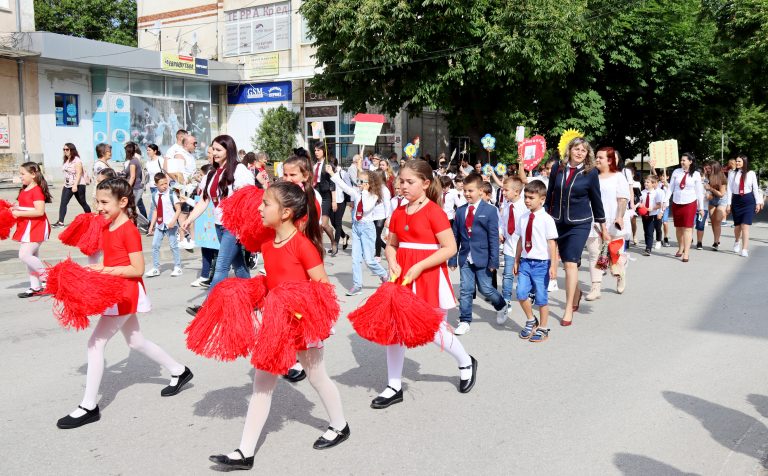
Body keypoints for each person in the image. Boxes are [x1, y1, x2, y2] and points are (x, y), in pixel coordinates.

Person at [209, 182, 350, 470]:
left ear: (285, 213)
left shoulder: (303, 246)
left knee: (317, 377)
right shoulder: (266, 244)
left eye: (265, 204)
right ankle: (244, 452)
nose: (259, 209)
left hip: (301, 323)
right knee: (261, 384)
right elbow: (273, 280)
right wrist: (251, 290)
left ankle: (340, 425)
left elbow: (322, 287)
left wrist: (298, 310)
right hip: (275, 325)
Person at [56, 177, 192, 430]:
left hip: (124, 293)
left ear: (124, 202)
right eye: (97, 201)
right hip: (115, 290)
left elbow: (138, 268)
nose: (99, 207)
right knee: (135, 341)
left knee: (95, 343)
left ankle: (89, 406)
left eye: (105, 202)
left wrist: (105, 270)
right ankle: (179, 370)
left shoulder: (128, 230)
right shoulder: (107, 225)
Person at [370, 160, 477, 410]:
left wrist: (419, 266)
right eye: (401, 181)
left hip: (427, 273)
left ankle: (465, 362)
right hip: (402, 275)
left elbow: (450, 247)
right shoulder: (398, 211)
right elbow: (391, 244)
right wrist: (392, 261)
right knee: (394, 329)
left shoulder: (434, 212)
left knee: (434, 329)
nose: (403, 186)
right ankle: (394, 385)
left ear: (426, 183)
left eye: (410, 182)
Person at [181, 135, 255, 315]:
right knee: (239, 266)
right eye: (213, 149)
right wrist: (189, 219)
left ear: (229, 151)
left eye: (218, 150)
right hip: (218, 224)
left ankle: (208, 307)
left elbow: (248, 198)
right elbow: (204, 201)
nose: (214, 153)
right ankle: (255, 298)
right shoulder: (212, 174)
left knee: (221, 266)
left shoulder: (240, 170)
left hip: (234, 225)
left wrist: (242, 226)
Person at [544, 138, 607, 326]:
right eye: (576, 149)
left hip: (579, 223)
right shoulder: (557, 168)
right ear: (569, 150)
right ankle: (576, 292)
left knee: (571, 263)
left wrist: (603, 226)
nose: (579, 153)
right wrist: (543, 215)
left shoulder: (591, 173)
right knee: (566, 264)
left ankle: (568, 307)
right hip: (557, 221)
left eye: (584, 150)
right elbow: (550, 195)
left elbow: (596, 200)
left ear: (588, 154)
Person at [449, 173, 508, 336]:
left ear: (481, 190)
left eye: (471, 191)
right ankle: (465, 320)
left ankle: (502, 306)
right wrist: (452, 258)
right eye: (465, 191)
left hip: (483, 257)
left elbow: (493, 238)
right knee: (466, 289)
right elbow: (456, 236)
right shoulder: (460, 211)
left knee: (486, 289)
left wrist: (494, 261)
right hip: (465, 257)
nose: (467, 194)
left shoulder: (489, 211)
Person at [328, 164, 388, 296]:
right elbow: (345, 187)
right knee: (355, 259)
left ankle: (384, 275)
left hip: (367, 229)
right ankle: (357, 285)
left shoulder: (373, 196)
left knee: (369, 260)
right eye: (358, 181)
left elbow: (366, 208)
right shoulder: (357, 193)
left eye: (361, 182)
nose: (358, 184)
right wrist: (332, 174)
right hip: (356, 227)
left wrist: (365, 192)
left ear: (368, 184)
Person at [513, 181, 558, 342]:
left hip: (541, 264)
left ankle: (543, 327)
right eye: (525, 197)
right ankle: (531, 320)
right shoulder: (523, 217)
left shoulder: (547, 219)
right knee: (520, 293)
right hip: (525, 262)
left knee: (541, 298)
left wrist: (553, 265)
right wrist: (516, 260)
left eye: (531, 197)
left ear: (542, 199)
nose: (527, 200)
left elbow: (552, 243)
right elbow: (520, 240)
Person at [584, 147, 631, 300]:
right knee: (594, 254)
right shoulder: (591, 176)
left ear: (610, 160)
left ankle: (620, 274)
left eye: (600, 157)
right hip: (594, 220)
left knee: (614, 255)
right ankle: (596, 287)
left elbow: (623, 199)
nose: (597, 160)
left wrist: (619, 217)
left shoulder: (618, 177)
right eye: (596, 157)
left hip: (612, 221)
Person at [12, 162, 52, 298]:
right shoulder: (25, 189)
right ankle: (35, 287)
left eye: (23, 174)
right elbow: (23, 204)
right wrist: (13, 208)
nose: (20, 176)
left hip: (36, 227)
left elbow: (40, 211)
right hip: (27, 227)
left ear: (33, 174)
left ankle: (47, 277)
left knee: (24, 255)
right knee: (31, 257)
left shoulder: (37, 191)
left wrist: (19, 213)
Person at [669, 152, 705, 262]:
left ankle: (687, 253)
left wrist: (701, 208)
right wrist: (665, 201)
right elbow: (670, 188)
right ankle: (681, 247)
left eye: (684, 160)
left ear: (690, 161)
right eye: (681, 160)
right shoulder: (676, 172)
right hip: (676, 202)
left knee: (688, 228)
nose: (682, 162)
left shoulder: (696, 174)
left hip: (690, 202)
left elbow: (699, 192)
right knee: (679, 227)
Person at [146, 174, 183, 277]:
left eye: (166, 183)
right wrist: (151, 226)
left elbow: (178, 209)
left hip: (171, 224)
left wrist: (173, 221)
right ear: (156, 184)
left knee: (173, 245)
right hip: (160, 224)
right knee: (154, 245)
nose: (164, 186)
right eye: (161, 184)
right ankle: (156, 268)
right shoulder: (154, 195)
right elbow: (155, 210)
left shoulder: (171, 194)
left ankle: (178, 267)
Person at [726, 154, 764, 257]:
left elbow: (755, 189)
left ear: (744, 162)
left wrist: (758, 202)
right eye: (736, 161)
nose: (737, 163)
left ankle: (744, 249)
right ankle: (737, 241)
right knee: (737, 226)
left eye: (739, 161)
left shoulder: (751, 173)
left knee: (745, 226)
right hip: (736, 201)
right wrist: (728, 204)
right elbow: (729, 189)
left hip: (748, 201)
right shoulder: (731, 173)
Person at [499, 175, 527, 312]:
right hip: (509, 246)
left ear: (516, 191)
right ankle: (506, 299)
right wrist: (500, 232)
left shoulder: (524, 206)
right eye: (503, 190)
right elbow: (503, 222)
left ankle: (527, 293)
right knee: (507, 274)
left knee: (523, 273)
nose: (503, 193)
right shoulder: (506, 205)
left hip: (523, 248)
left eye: (506, 190)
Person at [52, 143, 91, 227]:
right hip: (67, 185)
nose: (65, 151)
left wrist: (75, 185)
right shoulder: (67, 160)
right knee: (63, 203)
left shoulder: (77, 160)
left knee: (83, 203)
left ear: (72, 150)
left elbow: (79, 173)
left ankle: (90, 218)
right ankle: (60, 222)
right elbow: (67, 174)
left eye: (67, 149)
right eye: (64, 149)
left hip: (78, 185)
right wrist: (64, 184)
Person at [311, 143, 337, 254]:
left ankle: (333, 242)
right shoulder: (314, 165)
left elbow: (333, 183)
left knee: (324, 224)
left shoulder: (328, 165)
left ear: (324, 151)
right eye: (315, 150)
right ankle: (319, 247)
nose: (316, 152)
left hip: (326, 196)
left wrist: (334, 201)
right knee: (317, 224)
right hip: (316, 194)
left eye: (318, 150)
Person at [636, 175, 664, 257]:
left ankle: (648, 248)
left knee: (650, 231)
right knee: (646, 231)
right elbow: (640, 202)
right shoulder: (643, 192)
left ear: (653, 184)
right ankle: (648, 244)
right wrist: (639, 206)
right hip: (644, 215)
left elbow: (659, 205)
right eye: (645, 182)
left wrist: (652, 208)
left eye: (648, 182)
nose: (645, 183)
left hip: (653, 215)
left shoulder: (656, 193)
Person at [123, 142, 148, 226]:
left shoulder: (133, 162)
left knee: (130, 208)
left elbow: (132, 177)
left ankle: (145, 223)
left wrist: (127, 188)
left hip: (135, 188)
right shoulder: (135, 160)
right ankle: (137, 224)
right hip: (137, 188)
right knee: (132, 208)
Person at [704, 161, 727, 250]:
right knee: (713, 221)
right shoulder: (707, 176)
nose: (707, 170)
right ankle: (716, 240)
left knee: (717, 220)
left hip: (721, 200)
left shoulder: (722, 177)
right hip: (712, 199)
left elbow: (721, 194)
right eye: (707, 168)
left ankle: (716, 242)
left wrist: (710, 188)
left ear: (715, 168)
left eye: (709, 168)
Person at [328, 158, 350, 253]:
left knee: (338, 222)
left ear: (335, 165)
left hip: (341, 201)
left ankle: (335, 245)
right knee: (333, 223)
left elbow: (348, 186)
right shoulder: (326, 174)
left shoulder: (342, 173)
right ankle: (344, 236)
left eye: (331, 165)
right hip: (330, 201)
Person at [370, 169, 392, 261]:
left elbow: (387, 205)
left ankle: (378, 255)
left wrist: (388, 217)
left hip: (381, 216)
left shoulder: (385, 190)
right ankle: (388, 248)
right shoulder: (373, 188)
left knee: (376, 235)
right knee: (374, 235)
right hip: (373, 215)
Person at [145, 144, 165, 226]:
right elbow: (148, 175)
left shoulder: (161, 160)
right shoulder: (148, 163)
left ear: (155, 151)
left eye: (149, 150)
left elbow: (165, 172)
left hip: (159, 186)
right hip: (152, 186)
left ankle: (150, 224)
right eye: (147, 150)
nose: (147, 152)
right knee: (156, 205)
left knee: (153, 205)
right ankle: (157, 223)